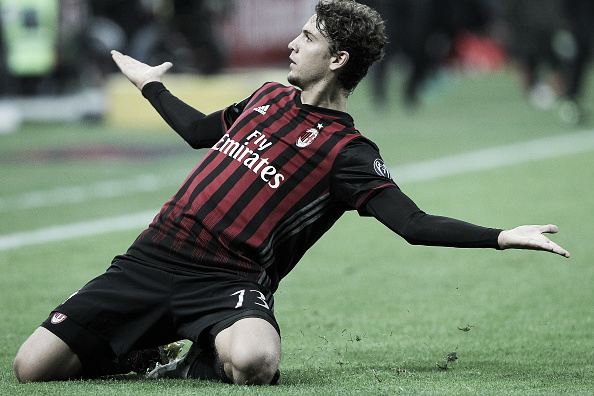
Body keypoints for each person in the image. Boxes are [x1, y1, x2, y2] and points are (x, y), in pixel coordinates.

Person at [13, 0, 570, 386]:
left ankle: (201, 357)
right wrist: (150, 84)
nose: (291, 43)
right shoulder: (265, 96)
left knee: (255, 362)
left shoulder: (348, 153)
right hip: (152, 257)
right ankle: (139, 352)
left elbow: (414, 225)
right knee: (31, 368)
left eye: (306, 38)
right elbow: (199, 132)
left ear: (337, 60)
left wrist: (502, 236)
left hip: (228, 280)